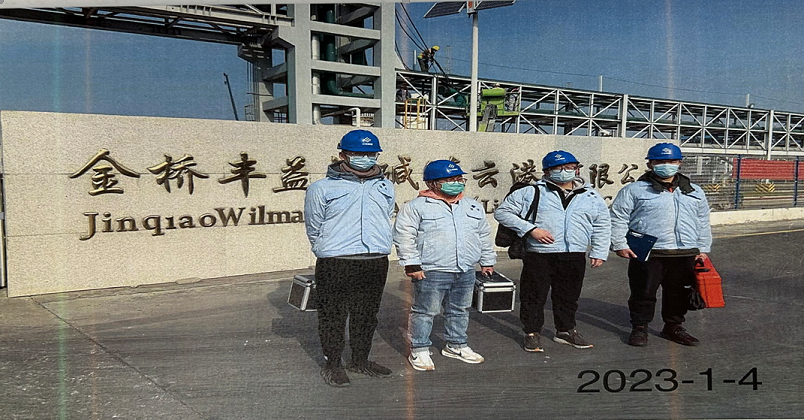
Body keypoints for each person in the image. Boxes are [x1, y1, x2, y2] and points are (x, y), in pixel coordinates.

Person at [303, 129, 395, 387]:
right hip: (337, 261)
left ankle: (360, 360)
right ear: (343, 155)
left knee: (366, 315)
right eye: (357, 153)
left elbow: (386, 215)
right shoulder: (321, 188)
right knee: (333, 315)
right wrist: (326, 248)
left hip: (375, 260)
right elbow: (313, 224)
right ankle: (333, 364)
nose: (365, 158)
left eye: (370, 154)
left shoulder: (386, 186)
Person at [494, 151, 610, 352]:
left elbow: (602, 223)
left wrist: (599, 251)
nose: (564, 171)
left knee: (568, 296)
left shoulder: (590, 195)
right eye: (558, 168)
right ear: (546, 172)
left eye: (569, 167)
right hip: (539, 253)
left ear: (577, 169)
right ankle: (531, 332)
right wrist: (531, 230)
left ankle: (565, 330)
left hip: (574, 252)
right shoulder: (531, 192)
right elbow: (502, 212)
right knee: (533, 295)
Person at [393, 160, 496, 371]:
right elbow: (404, 236)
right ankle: (420, 349)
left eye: (459, 179)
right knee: (425, 311)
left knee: (460, 309)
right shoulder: (416, 207)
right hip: (432, 270)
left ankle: (456, 345)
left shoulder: (471, 206)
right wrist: (411, 263)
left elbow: (483, 235)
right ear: (432, 183)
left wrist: (487, 260)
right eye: (449, 179)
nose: (456, 183)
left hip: (465, 269)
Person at [610, 142, 712, 347]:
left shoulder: (694, 191)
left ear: (680, 163)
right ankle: (640, 328)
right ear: (650, 164)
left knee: (678, 292)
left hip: (684, 251)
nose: (667, 165)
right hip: (647, 250)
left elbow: (702, 220)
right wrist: (619, 243)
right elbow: (617, 217)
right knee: (643, 292)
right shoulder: (634, 190)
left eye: (672, 161)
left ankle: (673, 326)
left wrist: (702, 248)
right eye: (660, 161)